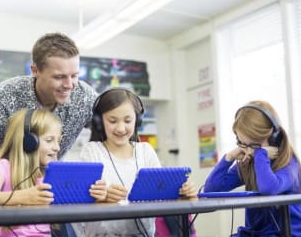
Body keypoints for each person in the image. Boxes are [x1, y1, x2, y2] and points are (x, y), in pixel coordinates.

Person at [0, 32, 98, 186]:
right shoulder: (3, 97)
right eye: (59, 77)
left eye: (75, 75)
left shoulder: (84, 96)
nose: (69, 85)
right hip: (0, 185)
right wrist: (22, 182)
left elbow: (112, 125)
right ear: (35, 71)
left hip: (47, 184)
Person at [65, 88, 198, 236]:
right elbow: (80, 200)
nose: (121, 128)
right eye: (112, 121)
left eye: (127, 120)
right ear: (99, 121)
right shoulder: (92, 151)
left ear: (137, 120)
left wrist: (182, 195)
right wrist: (102, 199)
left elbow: (162, 195)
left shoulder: (146, 151)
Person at [0, 109, 107, 236]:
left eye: (59, 141)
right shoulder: (4, 167)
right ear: (28, 142)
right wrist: (24, 196)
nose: (57, 147)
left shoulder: (50, 174)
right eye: (50, 140)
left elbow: (72, 207)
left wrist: (95, 196)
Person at [204, 100, 301, 236]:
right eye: (242, 143)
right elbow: (211, 190)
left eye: (254, 145)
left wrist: (261, 154)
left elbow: (269, 188)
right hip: (256, 233)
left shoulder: (290, 166)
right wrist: (229, 158)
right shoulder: (249, 161)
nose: (249, 152)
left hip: (285, 234)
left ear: (274, 138)